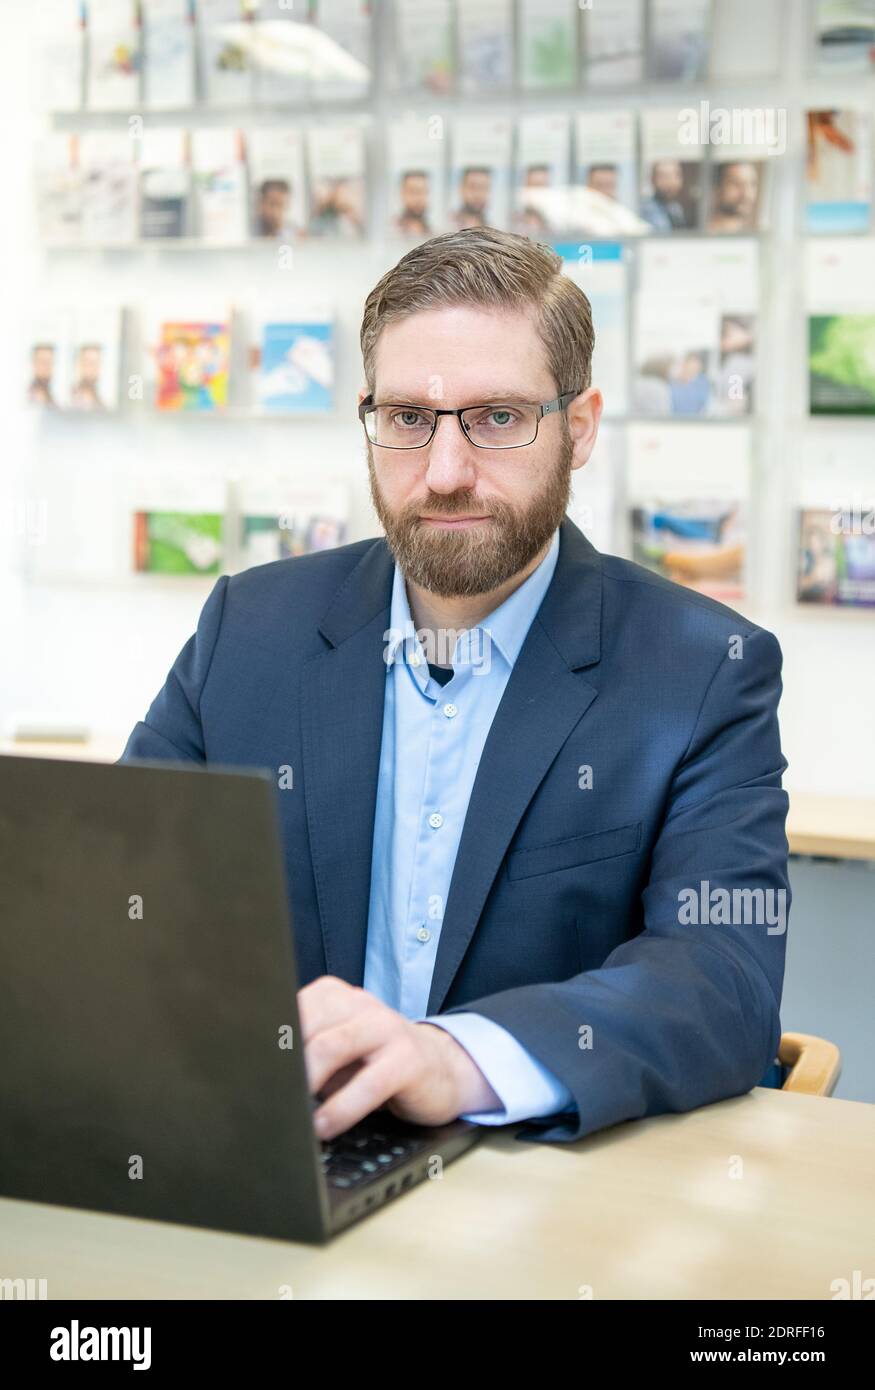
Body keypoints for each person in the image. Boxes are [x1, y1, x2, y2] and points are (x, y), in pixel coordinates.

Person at [121, 228, 790, 1145]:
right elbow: (123, 900)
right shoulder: (249, 630)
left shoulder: (703, 671)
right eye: (406, 419)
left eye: (498, 418)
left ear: (579, 427)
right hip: (279, 1158)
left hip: (538, 1199)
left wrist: (454, 1060)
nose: (443, 473)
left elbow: (721, 979)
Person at [640, 158, 694, 231]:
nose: (670, 181)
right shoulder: (646, 210)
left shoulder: (676, 208)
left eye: (675, 176)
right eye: (664, 177)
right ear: (652, 179)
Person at [707, 161, 760, 233]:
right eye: (735, 183)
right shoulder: (699, 238)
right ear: (717, 189)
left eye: (752, 184)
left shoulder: (755, 238)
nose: (746, 194)